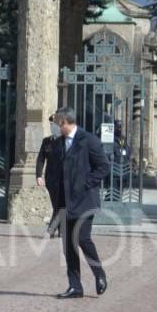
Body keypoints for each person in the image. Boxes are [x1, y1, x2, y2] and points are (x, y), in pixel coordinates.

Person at [49, 108, 109, 298]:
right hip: (65, 202)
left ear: (65, 122)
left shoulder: (88, 140)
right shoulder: (58, 144)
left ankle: (99, 274)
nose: (56, 126)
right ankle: (75, 286)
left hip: (84, 201)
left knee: (82, 238)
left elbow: (103, 167)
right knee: (68, 245)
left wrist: (85, 183)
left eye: (58, 123)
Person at [33, 114, 64, 237]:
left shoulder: (65, 141)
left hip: (63, 178)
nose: (52, 127)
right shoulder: (46, 141)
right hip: (51, 179)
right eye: (51, 125)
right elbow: (40, 159)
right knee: (56, 204)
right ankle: (61, 229)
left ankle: (52, 229)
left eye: (54, 125)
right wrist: (39, 175)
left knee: (59, 204)